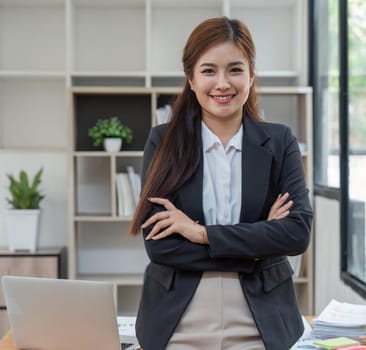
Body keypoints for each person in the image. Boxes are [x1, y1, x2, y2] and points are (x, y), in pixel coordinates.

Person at [129, 16, 313, 350]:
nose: (223, 83)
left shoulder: (279, 141)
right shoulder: (163, 141)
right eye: (209, 70)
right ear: (191, 78)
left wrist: (201, 234)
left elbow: (297, 234)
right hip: (178, 323)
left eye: (235, 69)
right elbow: (161, 246)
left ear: (251, 75)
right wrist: (259, 244)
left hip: (263, 322)